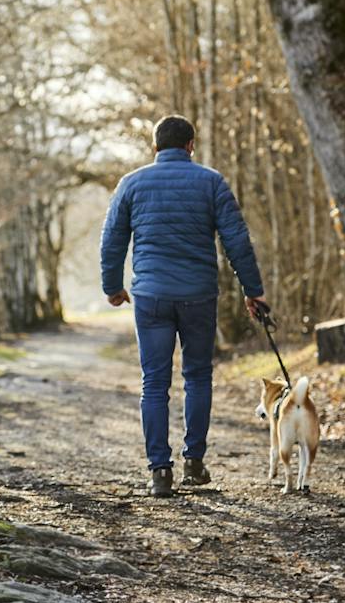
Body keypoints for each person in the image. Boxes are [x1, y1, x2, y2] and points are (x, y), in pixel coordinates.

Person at [100, 115, 268, 497]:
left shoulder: (132, 183)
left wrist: (112, 286)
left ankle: (160, 471)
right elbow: (237, 240)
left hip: (151, 298)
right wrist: (253, 290)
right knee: (197, 376)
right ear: (190, 145)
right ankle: (194, 462)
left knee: (154, 383)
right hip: (198, 295)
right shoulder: (211, 182)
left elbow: (112, 239)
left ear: (155, 147)